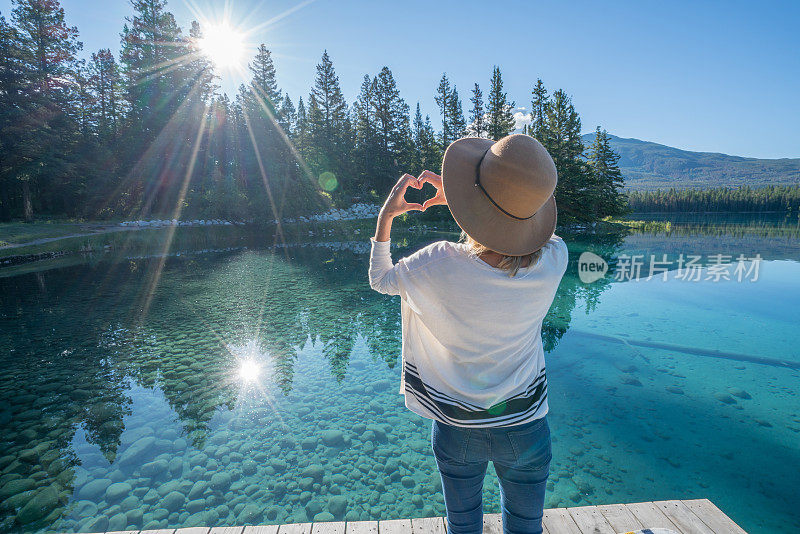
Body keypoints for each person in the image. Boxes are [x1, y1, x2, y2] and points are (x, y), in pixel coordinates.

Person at [368, 133, 569, 534]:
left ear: (471, 200)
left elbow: (380, 279)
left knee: (462, 528)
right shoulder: (554, 260)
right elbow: (539, 238)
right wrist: (476, 203)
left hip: (456, 427)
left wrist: (386, 216)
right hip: (525, 425)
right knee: (526, 528)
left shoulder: (437, 262)